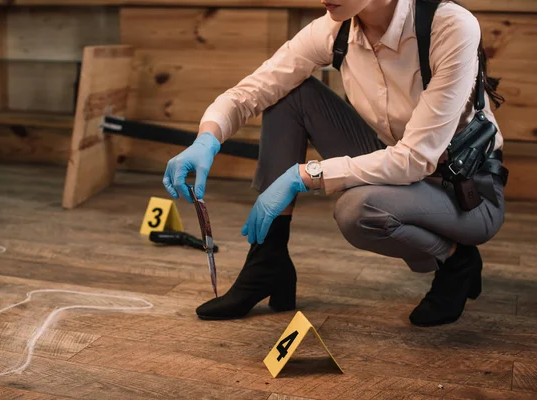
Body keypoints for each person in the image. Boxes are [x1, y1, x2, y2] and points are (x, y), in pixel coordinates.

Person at [162, 0, 507, 326]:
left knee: (357, 210)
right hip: (394, 161)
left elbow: (415, 160)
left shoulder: (449, 26)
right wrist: (207, 138)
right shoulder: (336, 28)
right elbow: (252, 90)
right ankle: (268, 261)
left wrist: (305, 175)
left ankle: (455, 259)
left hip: (465, 192)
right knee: (288, 94)